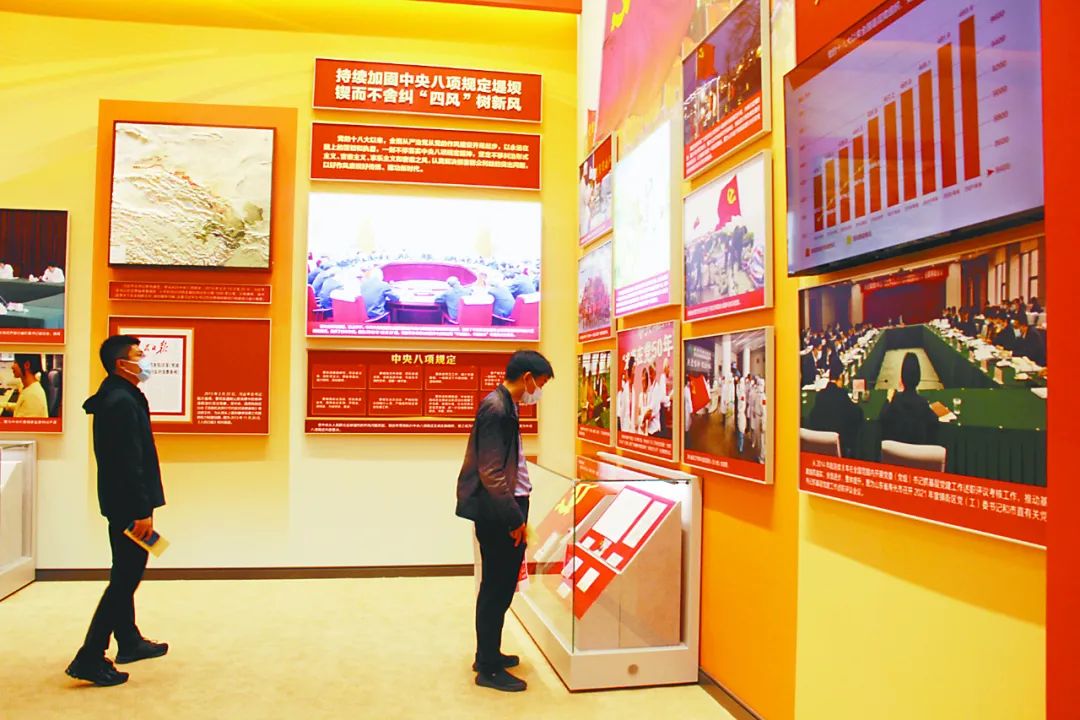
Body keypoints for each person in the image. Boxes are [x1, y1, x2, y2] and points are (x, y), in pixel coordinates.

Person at [66, 336, 168, 687]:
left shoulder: (121, 395)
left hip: (122, 500)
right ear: (122, 364)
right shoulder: (120, 401)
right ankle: (90, 656)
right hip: (129, 503)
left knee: (125, 569)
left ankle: (128, 639)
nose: (145, 359)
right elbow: (128, 462)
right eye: (139, 354)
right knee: (126, 577)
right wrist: (142, 510)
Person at [455, 350, 554, 693]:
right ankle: (488, 668)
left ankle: (489, 653)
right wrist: (514, 518)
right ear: (527, 378)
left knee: (498, 586)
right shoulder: (497, 409)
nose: (539, 391)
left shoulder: (505, 405)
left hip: (506, 507)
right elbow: (491, 472)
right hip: (500, 511)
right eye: (540, 383)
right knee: (496, 588)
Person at [807, 356, 864, 457]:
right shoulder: (841, 394)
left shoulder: (820, 395)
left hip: (819, 452)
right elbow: (858, 413)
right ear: (841, 376)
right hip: (839, 449)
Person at [880, 352, 938, 446]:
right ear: (918, 378)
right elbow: (934, 421)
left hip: (896, 453)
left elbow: (882, 417)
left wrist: (888, 399)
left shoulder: (896, 401)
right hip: (919, 452)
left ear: (902, 378)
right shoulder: (922, 403)